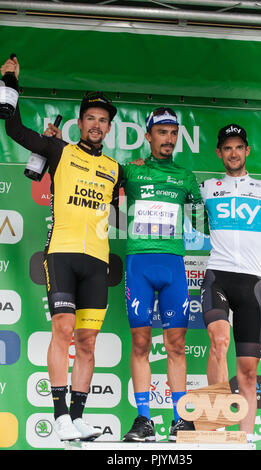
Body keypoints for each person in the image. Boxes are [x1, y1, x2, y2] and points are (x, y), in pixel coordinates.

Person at [1, 55, 122, 441]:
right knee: (64, 330)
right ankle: (58, 416)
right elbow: (15, 129)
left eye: (104, 120)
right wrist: (10, 81)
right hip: (63, 254)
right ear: (80, 122)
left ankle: (78, 417)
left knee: (88, 342)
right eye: (91, 118)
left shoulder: (118, 168)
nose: (97, 125)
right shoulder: (59, 151)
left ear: (108, 127)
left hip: (97, 261)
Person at [200, 123, 261, 441]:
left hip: (252, 284)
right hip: (218, 277)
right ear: (219, 153)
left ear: (247, 151)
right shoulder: (206, 187)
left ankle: (243, 439)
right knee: (219, 341)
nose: (234, 152)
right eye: (227, 147)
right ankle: (215, 426)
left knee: (249, 371)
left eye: (239, 146)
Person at [121, 107, 207, 442]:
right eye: (162, 132)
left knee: (177, 344)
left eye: (173, 133)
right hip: (139, 264)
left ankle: (179, 420)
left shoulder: (185, 176)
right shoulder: (131, 170)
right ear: (148, 136)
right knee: (140, 343)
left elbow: (200, 221)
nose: (168, 139)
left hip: (172, 264)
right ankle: (144, 420)